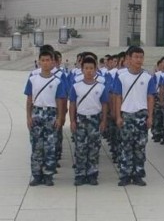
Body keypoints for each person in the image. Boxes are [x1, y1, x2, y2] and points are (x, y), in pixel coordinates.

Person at [112, 46, 156, 186]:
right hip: (126, 115)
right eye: (136, 57)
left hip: (141, 116)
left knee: (140, 147)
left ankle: (138, 174)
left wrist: (150, 116)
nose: (139, 60)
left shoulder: (148, 77)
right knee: (125, 146)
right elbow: (118, 97)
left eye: (141, 57)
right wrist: (118, 116)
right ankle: (125, 174)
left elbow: (150, 98)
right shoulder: (121, 76)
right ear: (129, 59)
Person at [24, 50, 67, 186]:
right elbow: (29, 100)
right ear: (38, 62)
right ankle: (37, 174)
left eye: (48, 60)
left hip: (51, 114)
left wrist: (60, 118)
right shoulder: (33, 79)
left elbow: (60, 101)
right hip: (37, 113)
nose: (45, 63)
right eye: (43, 60)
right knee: (36, 146)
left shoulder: (57, 81)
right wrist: (28, 117)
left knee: (50, 146)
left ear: (53, 62)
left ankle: (48, 174)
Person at [68, 56, 109, 186]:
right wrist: (72, 121)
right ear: (82, 69)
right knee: (80, 148)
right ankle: (80, 174)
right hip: (81, 119)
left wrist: (103, 121)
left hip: (95, 120)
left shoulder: (101, 87)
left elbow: (104, 105)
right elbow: (72, 105)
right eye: (86, 68)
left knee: (94, 148)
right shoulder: (76, 86)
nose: (89, 71)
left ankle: (92, 174)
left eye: (91, 68)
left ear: (96, 69)